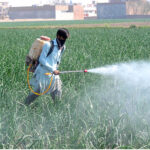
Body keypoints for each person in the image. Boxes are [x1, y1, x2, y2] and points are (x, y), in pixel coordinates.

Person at [24, 28, 70, 106]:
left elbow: (58, 60)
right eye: (63, 38)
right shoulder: (48, 45)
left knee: (57, 91)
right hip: (43, 73)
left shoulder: (63, 47)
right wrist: (52, 69)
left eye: (66, 38)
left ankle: (57, 108)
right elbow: (41, 59)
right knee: (37, 91)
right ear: (58, 36)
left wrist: (56, 69)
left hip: (54, 74)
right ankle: (24, 105)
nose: (64, 40)